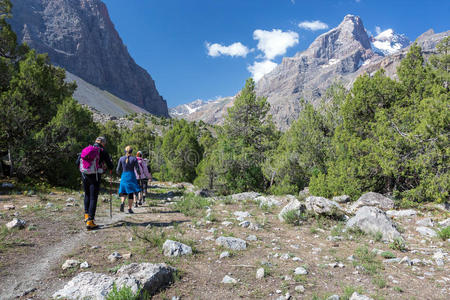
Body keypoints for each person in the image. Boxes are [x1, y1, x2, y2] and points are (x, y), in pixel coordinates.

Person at [77, 137, 113, 230]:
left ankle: (86, 216)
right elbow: (110, 165)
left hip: (84, 175)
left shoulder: (86, 149)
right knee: (93, 198)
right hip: (95, 176)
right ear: (103, 143)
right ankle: (90, 221)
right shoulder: (102, 151)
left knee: (87, 195)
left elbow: (77, 162)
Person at [117, 146, 141, 213]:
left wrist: (119, 174)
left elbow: (117, 170)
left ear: (125, 151)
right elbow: (137, 169)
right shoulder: (134, 159)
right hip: (131, 176)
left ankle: (122, 202)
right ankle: (129, 208)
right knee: (130, 193)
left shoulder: (121, 158)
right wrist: (139, 174)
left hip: (124, 176)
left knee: (123, 191)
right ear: (131, 151)